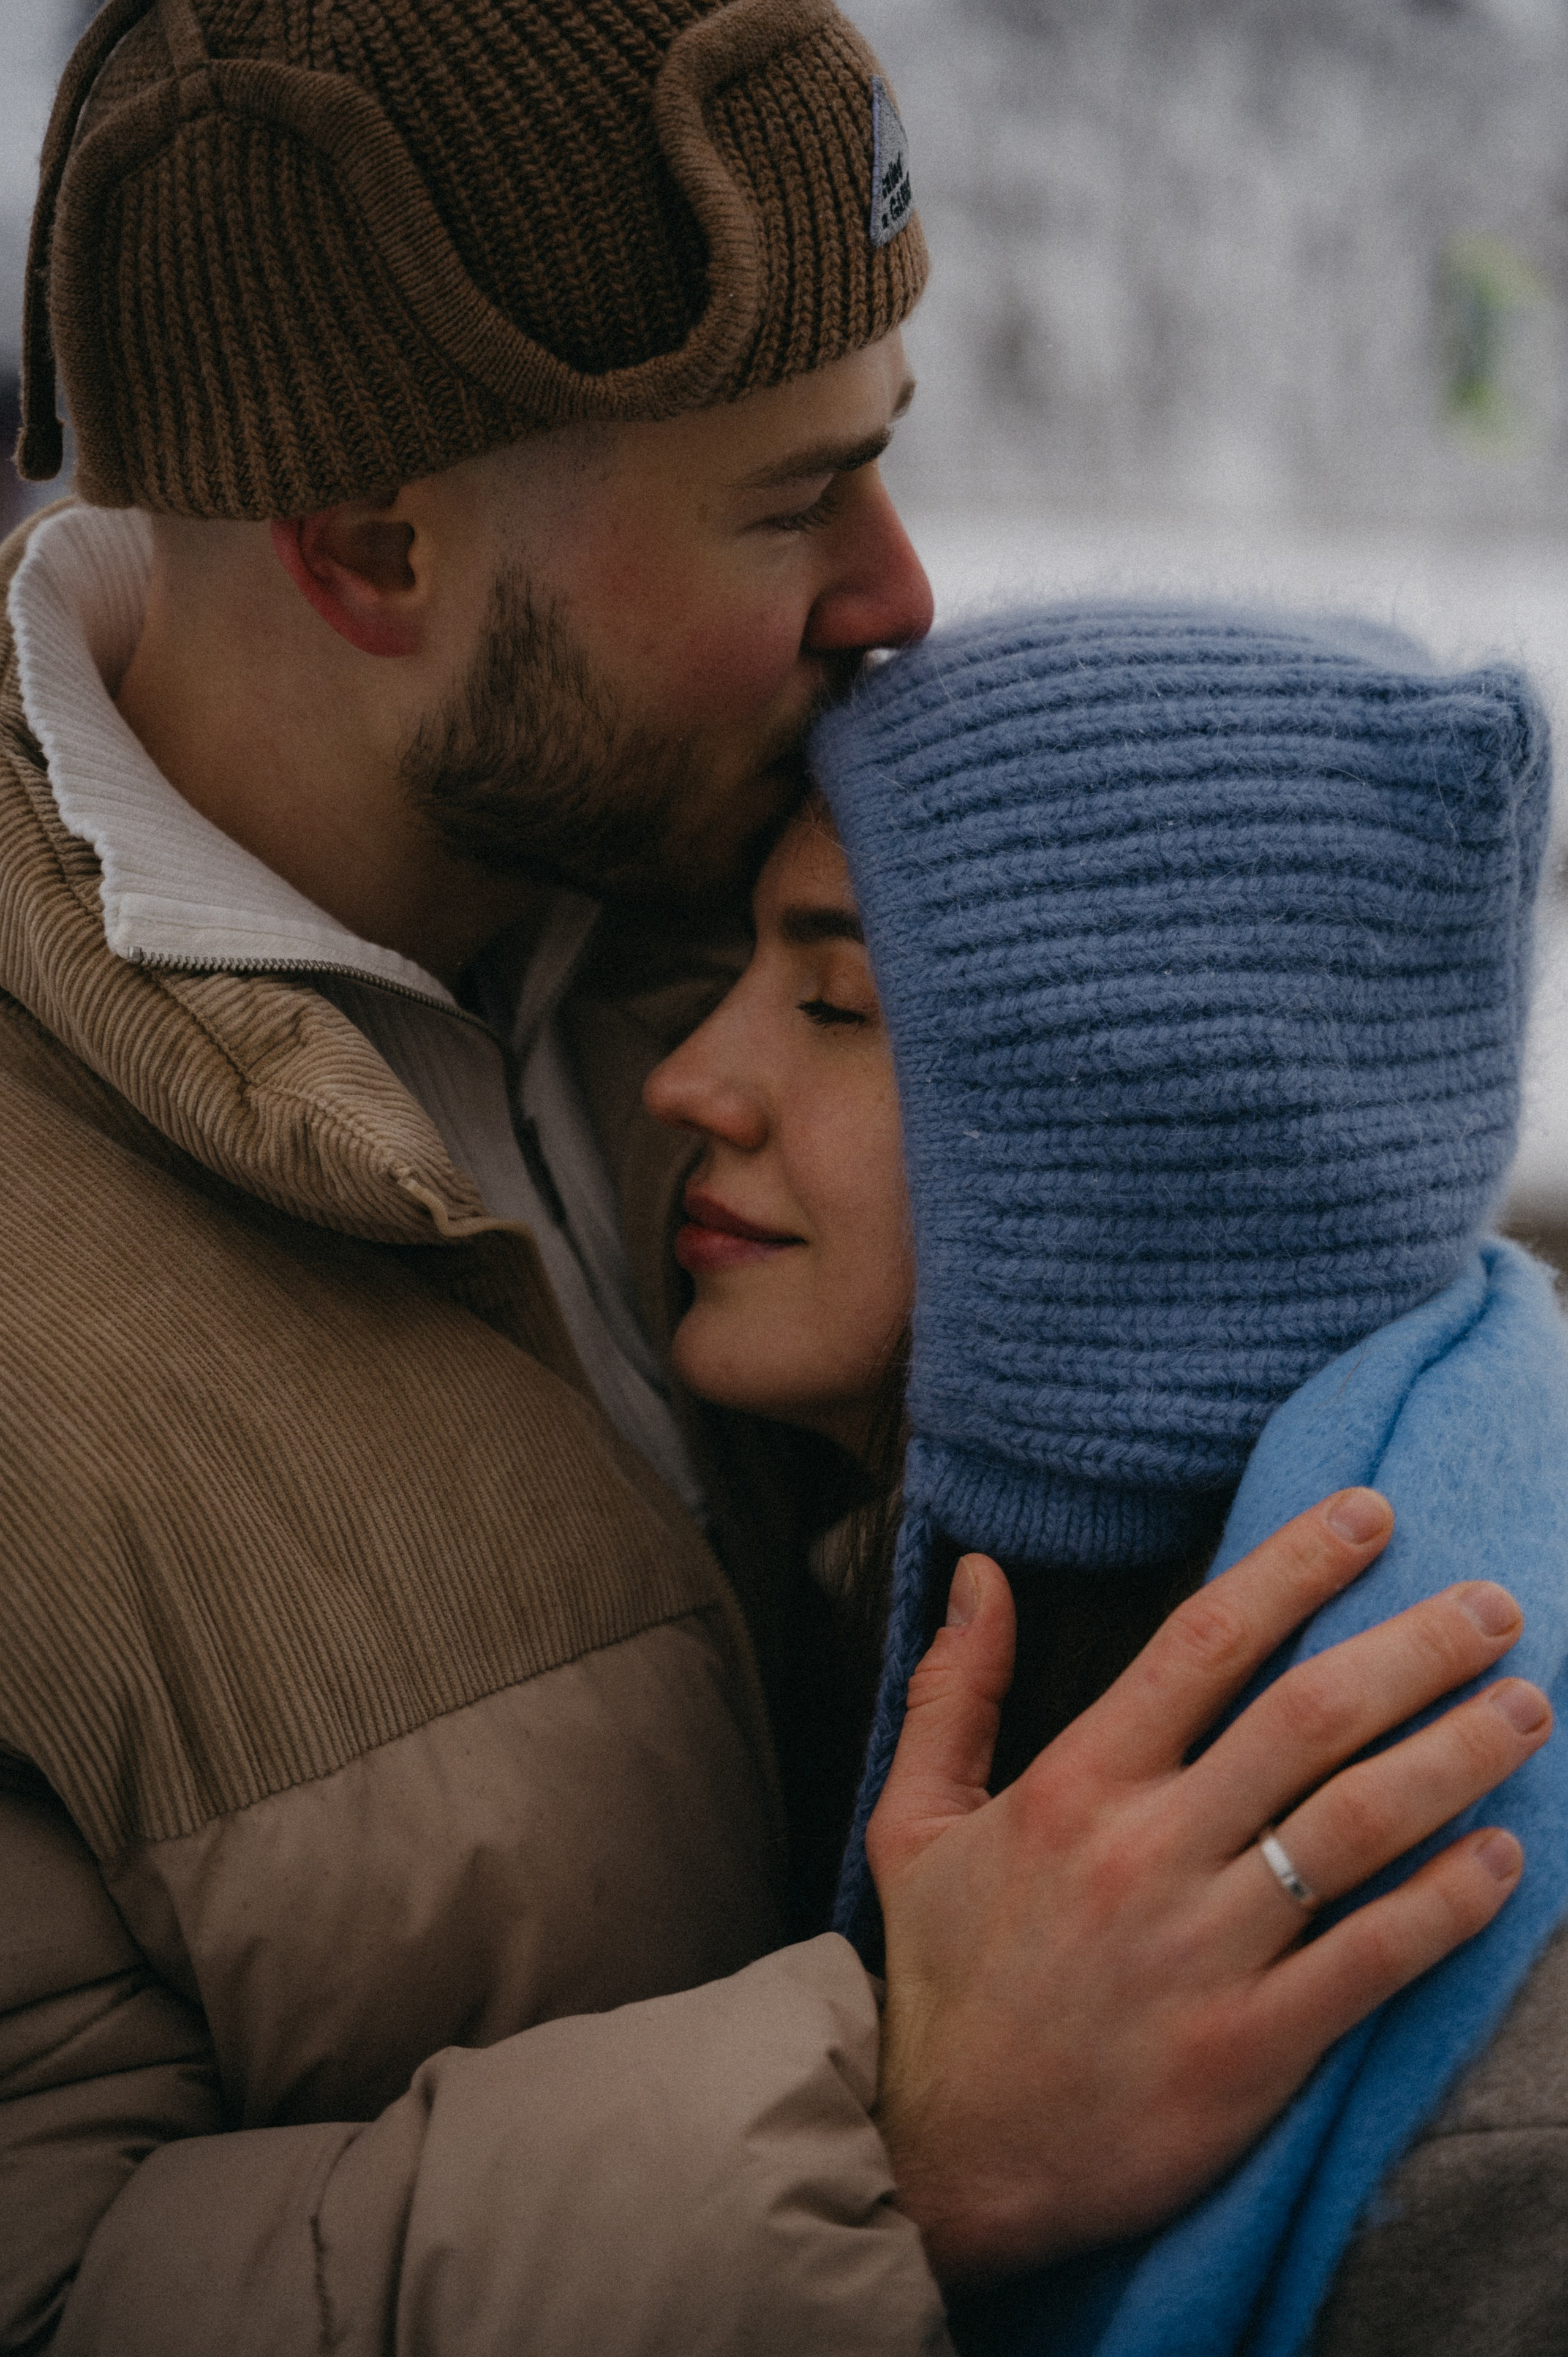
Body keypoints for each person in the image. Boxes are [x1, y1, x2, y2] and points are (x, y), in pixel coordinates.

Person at [0, 2, 1545, 2349]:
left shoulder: (813, 861)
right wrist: (890, 2136)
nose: (904, 590)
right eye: (786, 498)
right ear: (369, 544)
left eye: (887, 456)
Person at [644, 604, 1568, 2355]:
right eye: (739, 973)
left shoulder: (1500, 2097)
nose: (692, 1077)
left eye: (834, 1001)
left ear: (1150, 1148)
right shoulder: (825, 1609)